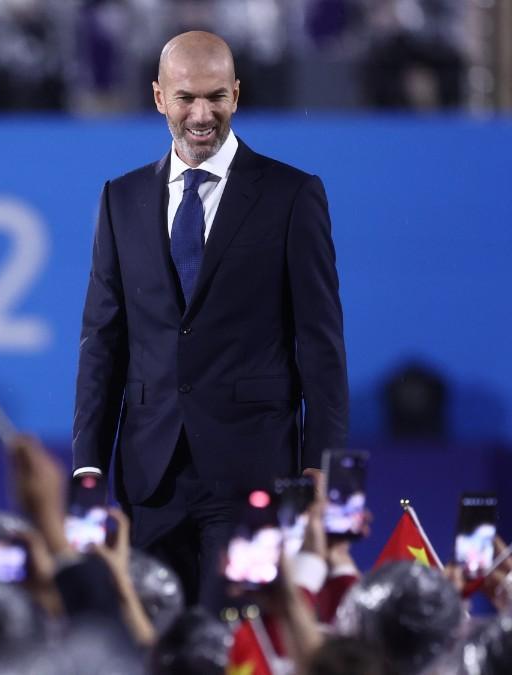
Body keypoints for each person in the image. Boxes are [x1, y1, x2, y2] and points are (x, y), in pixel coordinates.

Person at [71, 30, 348, 607]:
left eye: (216, 97)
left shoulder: (291, 195)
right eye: (186, 98)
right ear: (158, 97)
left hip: (252, 470)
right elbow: (103, 341)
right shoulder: (120, 199)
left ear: (237, 94)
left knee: (237, 633)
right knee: (156, 636)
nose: (202, 115)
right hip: (150, 476)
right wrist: (87, 464)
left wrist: (321, 466)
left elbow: (320, 344)